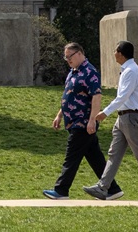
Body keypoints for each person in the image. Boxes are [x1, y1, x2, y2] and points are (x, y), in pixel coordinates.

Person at [87, 40, 138, 202]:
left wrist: (105, 112)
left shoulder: (131, 71)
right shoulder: (128, 70)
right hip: (124, 117)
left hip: (131, 117)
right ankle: (103, 187)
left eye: (115, 51)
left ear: (121, 53)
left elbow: (122, 96)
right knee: (114, 154)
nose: (113, 54)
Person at [42, 41, 106, 199]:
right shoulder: (73, 72)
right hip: (72, 121)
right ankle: (111, 188)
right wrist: (59, 115)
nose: (68, 60)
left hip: (82, 122)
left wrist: (92, 120)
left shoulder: (90, 72)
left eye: (69, 56)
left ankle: (61, 190)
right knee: (95, 157)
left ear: (79, 53)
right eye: (66, 58)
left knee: (72, 156)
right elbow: (68, 95)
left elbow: (96, 96)